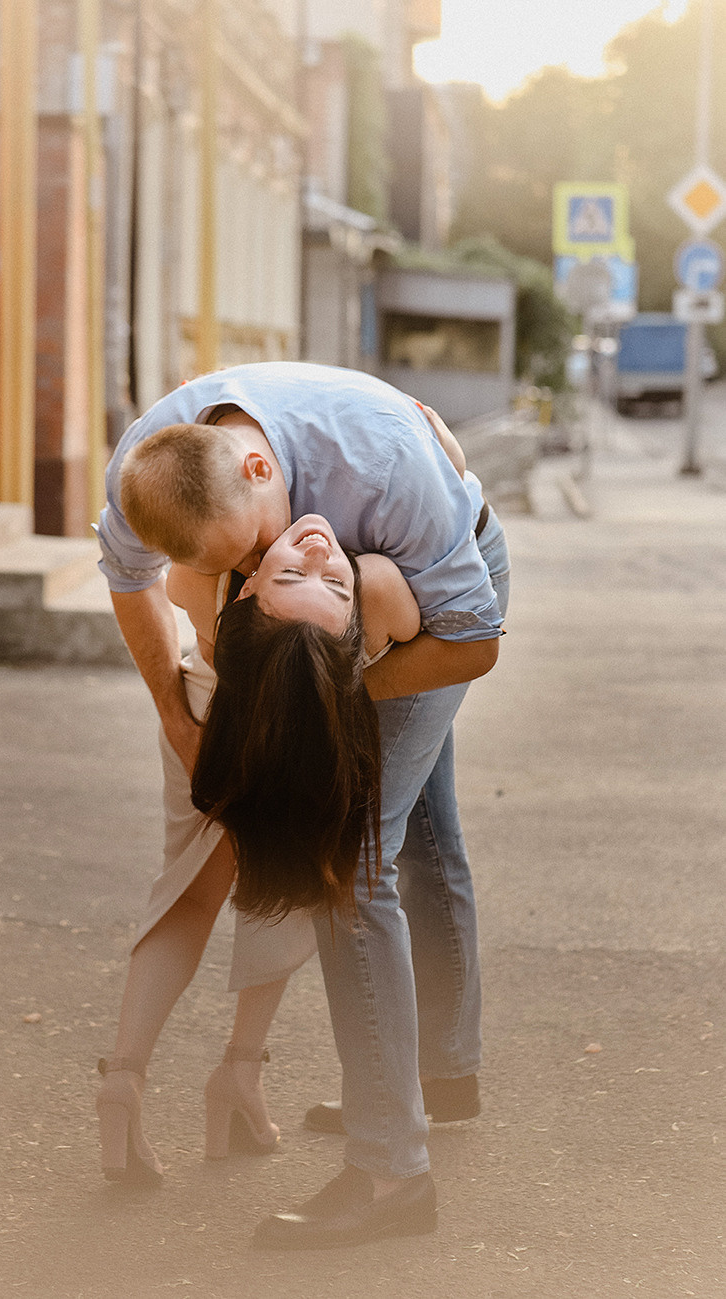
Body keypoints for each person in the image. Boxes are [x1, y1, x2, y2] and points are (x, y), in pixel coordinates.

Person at [96, 361, 510, 1249]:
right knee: (417, 830)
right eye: (230, 571)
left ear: (259, 471)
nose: (246, 571)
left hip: (437, 602)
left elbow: (473, 643)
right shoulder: (152, 469)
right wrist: (176, 714)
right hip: (337, 617)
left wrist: (329, 712)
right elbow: (130, 582)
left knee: (354, 864)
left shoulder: (381, 465)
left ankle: (390, 1169)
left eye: (250, 551)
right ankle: (435, 1073)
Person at [95, 516, 421, 1178]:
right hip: (305, 737)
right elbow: (412, 633)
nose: (313, 551)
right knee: (286, 891)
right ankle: (239, 1070)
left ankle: (123, 1077)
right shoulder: (371, 583)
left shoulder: (214, 570)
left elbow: (168, 590)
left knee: (185, 897)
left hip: (205, 718)